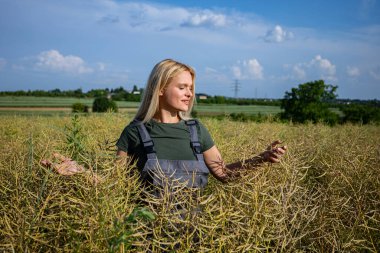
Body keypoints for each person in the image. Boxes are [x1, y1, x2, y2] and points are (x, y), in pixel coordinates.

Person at [43, 59, 286, 186]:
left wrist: (261, 159)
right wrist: (81, 173)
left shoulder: (197, 131)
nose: (189, 94)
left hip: (194, 239)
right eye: (182, 87)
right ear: (159, 89)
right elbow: (114, 186)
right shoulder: (135, 132)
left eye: (191, 88)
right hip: (145, 239)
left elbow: (224, 174)